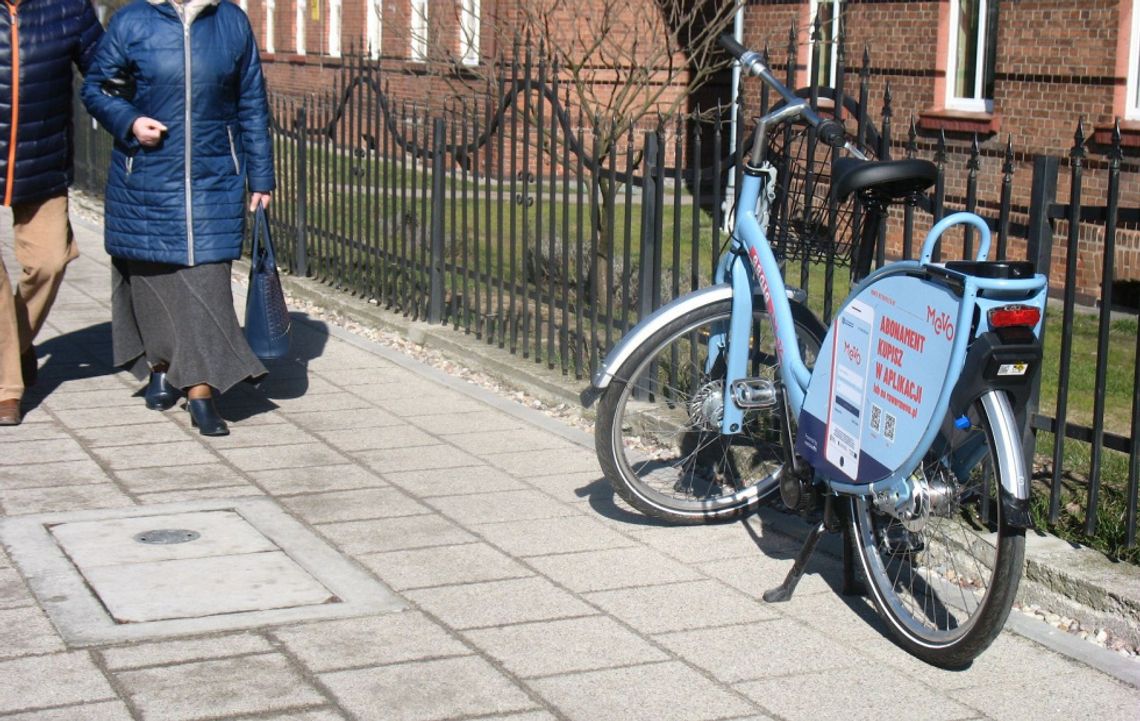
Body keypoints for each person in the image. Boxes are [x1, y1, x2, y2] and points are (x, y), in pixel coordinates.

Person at [82, 0, 275, 436]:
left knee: (208, 277)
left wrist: (261, 178)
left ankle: (202, 390)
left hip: (215, 175)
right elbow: (97, 88)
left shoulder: (230, 21)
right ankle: (161, 364)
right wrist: (130, 122)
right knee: (154, 276)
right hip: (148, 170)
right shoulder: (133, 19)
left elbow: (252, 103)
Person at [0, 0, 104, 426]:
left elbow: (104, 69)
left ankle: (14, 343)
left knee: (50, 261)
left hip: (43, 161)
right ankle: (7, 389)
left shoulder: (68, 8)